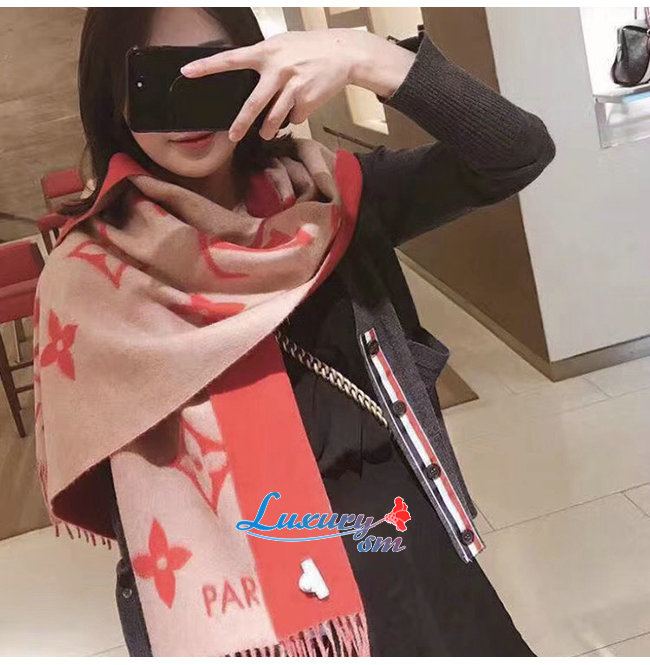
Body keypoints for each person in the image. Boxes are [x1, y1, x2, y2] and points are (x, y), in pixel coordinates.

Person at [36, 7, 555, 658]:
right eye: (153, 75)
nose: (186, 104)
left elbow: (517, 152)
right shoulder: (89, 278)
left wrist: (370, 57)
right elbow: (126, 501)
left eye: (214, 66)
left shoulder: (328, 199)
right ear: (113, 94)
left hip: (397, 545)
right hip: (239, 602)